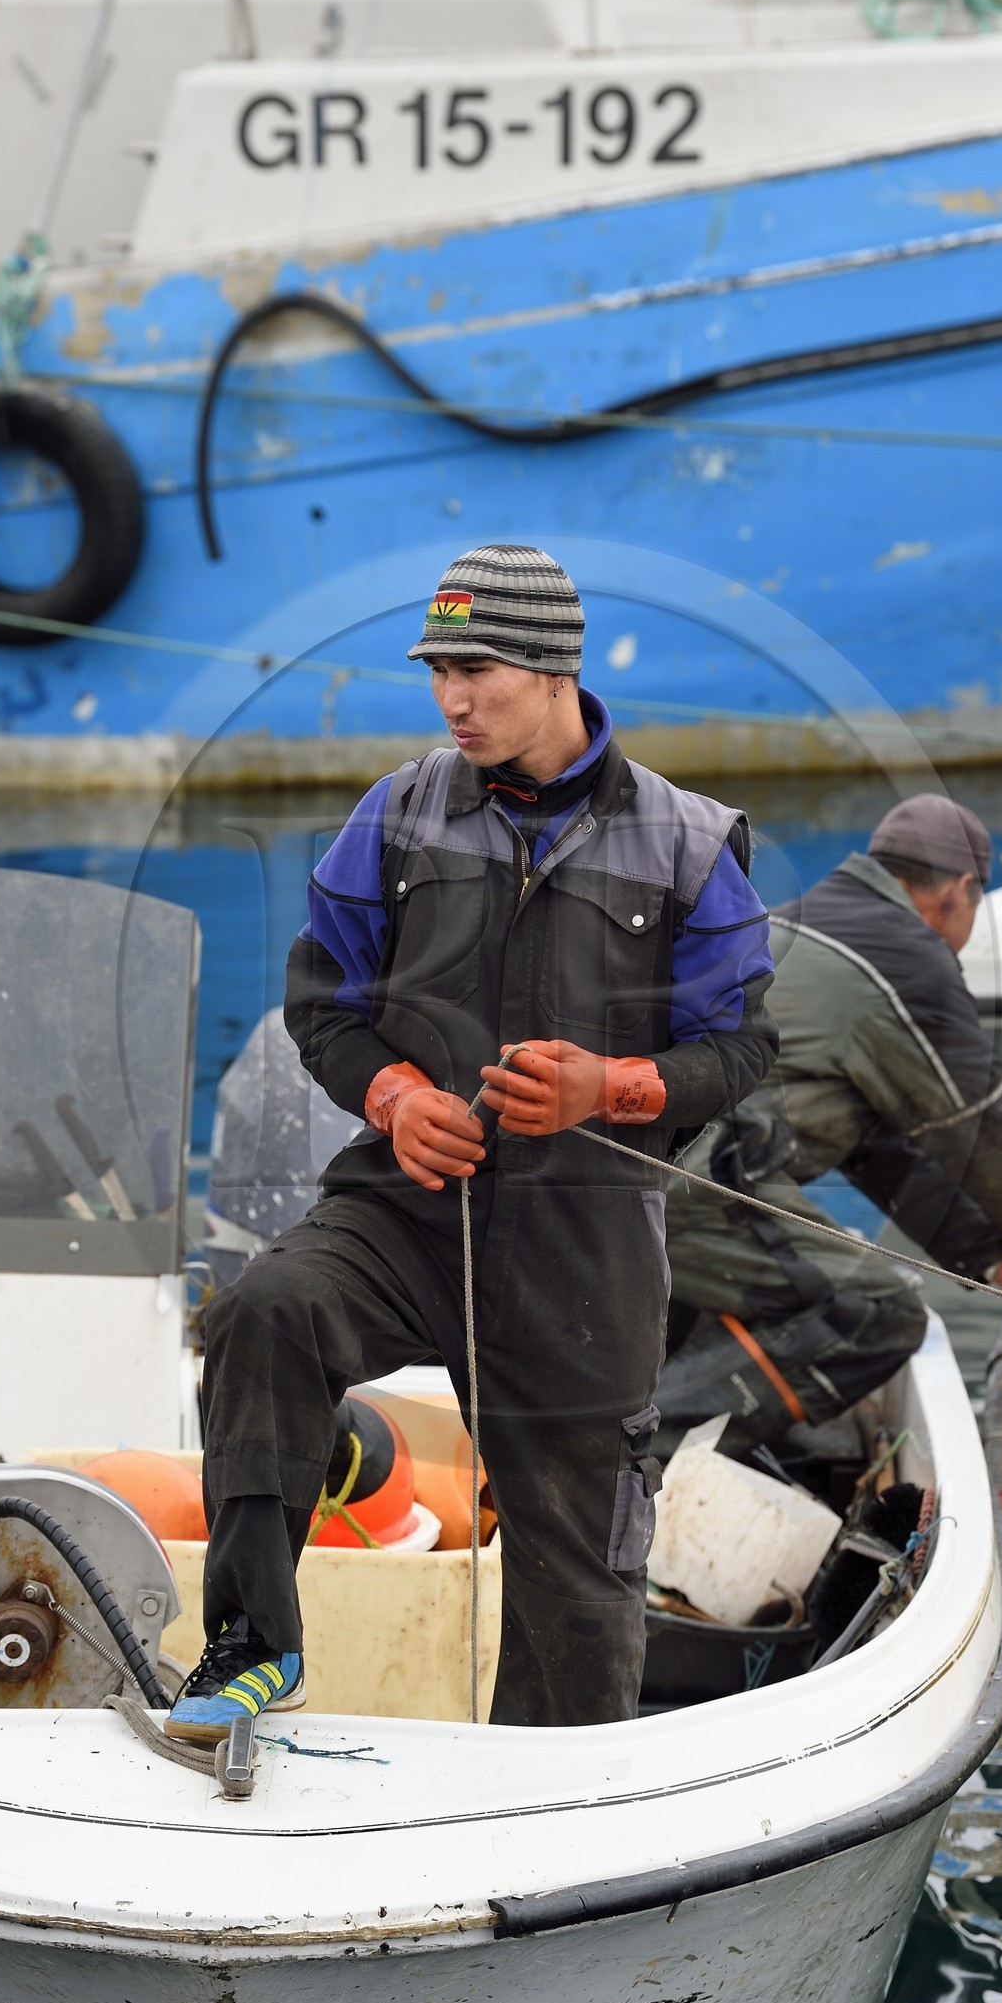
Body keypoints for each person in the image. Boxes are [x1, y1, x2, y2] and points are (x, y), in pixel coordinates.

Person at [170, 544, 777, 1736]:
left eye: (477, 669)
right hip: (403, 1208)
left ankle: (558, 1801)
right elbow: (321, 1003)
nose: (453, 697)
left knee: (577, 1581)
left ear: (554, 667)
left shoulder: (691, 846)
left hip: (581, 1241)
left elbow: (743, 1054)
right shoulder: (393, 818)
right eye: (438, 670)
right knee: (262, 1313)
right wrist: (392, 1095)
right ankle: (249, 1644)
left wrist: (616, 1085)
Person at [659, 793, 1002, 1459]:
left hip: (658, 1179)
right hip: (701, 1186)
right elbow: (988, 1134)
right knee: (878, 1313)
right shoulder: (910, 960)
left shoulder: (800, 923)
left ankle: (637, 1450)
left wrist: (997, 1262)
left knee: (780, 1304)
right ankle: (629, 1458)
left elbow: (880, 1151)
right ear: (960, 890)